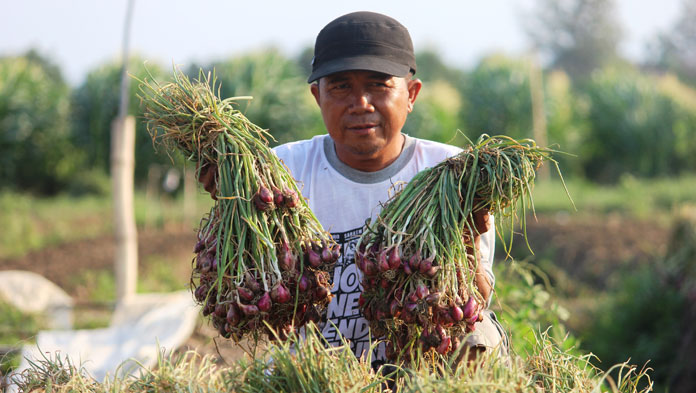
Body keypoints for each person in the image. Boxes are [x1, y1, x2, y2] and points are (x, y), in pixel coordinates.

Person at [200, 10, 508, 366]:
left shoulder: (454, 175)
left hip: (419, 373)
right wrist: (235, 203)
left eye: (378, 84)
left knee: (480, 336)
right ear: (318, 96)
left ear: (411, 93)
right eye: (341, 86)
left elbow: (475, 303)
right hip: (314, 374)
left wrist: (467, 238)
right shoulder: (278, 173)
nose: (360, 103)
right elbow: (255, 296)